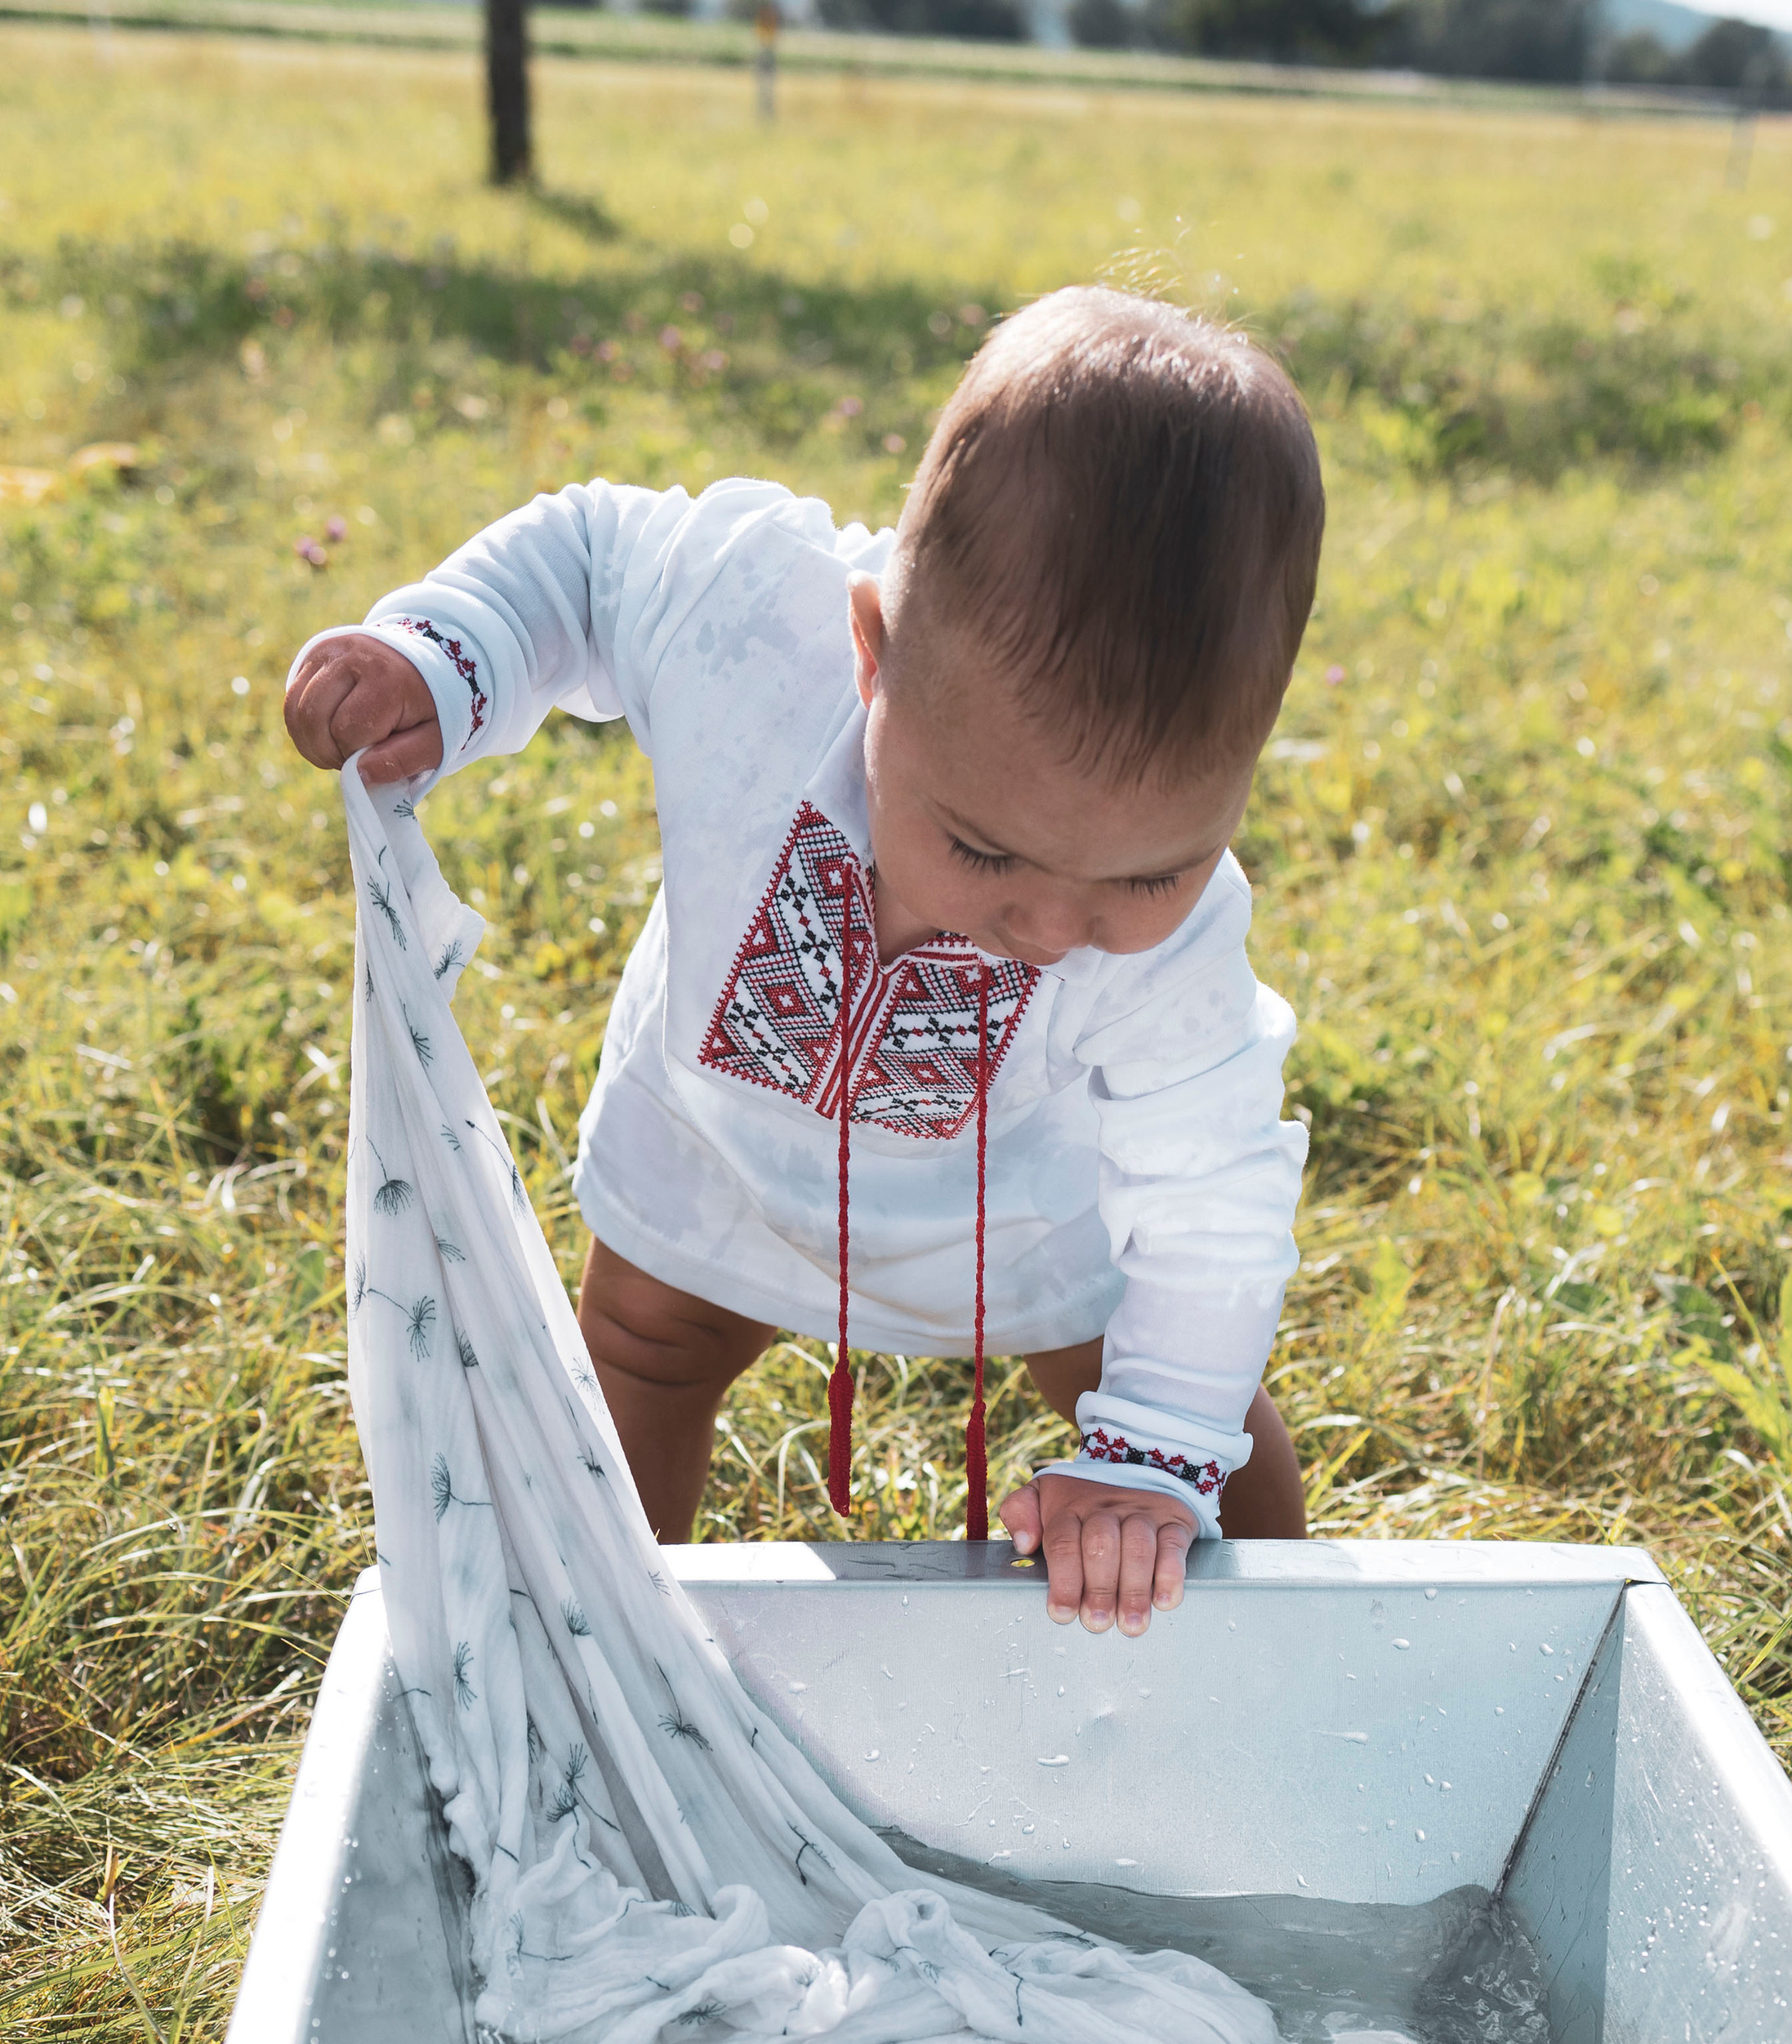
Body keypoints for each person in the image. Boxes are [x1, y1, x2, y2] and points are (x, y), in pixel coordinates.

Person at [283, 286, 1320, 1638]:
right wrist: (449, 652)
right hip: (712, 1160)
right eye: (989, 854)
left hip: (1030, 1215)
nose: (1056, 929)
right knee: (637, 1365)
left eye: (1146, 874)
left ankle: (1273, 1642)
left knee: (1202, 1434)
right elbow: (595, 561)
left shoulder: (1179, 952)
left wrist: (1154, 1456)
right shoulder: (751, 628)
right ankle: (601, 1653)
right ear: (872, 650)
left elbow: (1209, 1194)